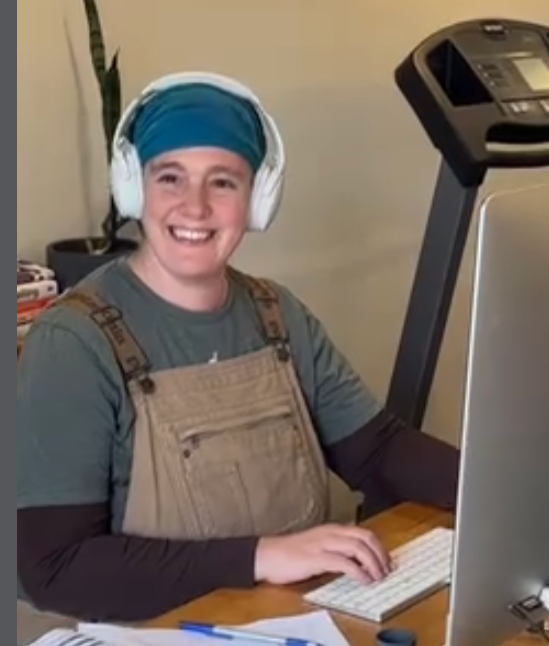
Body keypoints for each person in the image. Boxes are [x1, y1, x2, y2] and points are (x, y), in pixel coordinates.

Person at [17, 72, 460, 630]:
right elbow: (52, 567)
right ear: (134, 188)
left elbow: (377, 450)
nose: (195, 206)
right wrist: (260, 557)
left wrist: (499, 493)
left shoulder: (278, 314)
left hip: (296, 621)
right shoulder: (74, 343)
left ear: (258, 196)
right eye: (170, 177)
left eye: (223, 182)